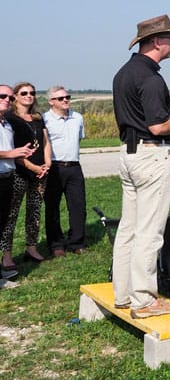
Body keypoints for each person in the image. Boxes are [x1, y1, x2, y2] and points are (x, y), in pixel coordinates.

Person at [112, 14, 170, 318]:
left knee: (129, 229)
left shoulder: (123, 73)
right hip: (151, 156)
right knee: (149, 232)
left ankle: (122, 294)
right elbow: (159, 127)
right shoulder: (150, 78)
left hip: (129, 154)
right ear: (157, 41)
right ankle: (145, 301)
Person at [2, 82, 52, 278]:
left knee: (35, 211)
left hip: (41, 173)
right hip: (19, 173)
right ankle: (6, 255)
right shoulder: (9, 119)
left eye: (32, 93)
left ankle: (31, 247)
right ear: (15, 96)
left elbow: (46, 142)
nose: (29, 96)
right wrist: (32, 166)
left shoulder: (38, 118)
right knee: (10, 215)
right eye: (24, 93)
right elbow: (12, 148)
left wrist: (47, 164)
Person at [43, 86, 87, 255]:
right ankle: (56, 245)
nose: (65, 100)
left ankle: (76, 243)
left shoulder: (77, 118)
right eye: (60, 98)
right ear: (51, 102)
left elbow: (79, 140)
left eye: (67, 97)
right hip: (54, 167)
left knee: (78, 206)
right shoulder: (45, 119)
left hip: (74, 167)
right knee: (52, 208)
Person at [0, 84, 34, 288]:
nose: (7, 100)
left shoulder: (7, 124)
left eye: (10, 98)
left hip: (7, 178)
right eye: (2, 96)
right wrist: (9, 154)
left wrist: (20, 152)